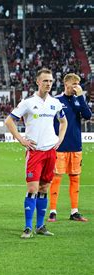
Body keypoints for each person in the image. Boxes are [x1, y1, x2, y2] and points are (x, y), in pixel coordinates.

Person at [5, 68, 67, 239]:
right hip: (34, 152)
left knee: (44, 188)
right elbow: (9, 120)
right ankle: (27, 227)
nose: (48, 84)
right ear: (38, 82)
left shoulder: (55, 103)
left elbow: (63, 121)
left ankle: (40, 226)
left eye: (51, 81)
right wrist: (21, 139)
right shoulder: (28, 102)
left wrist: (59, 139)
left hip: (50, 151)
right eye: (45, 80)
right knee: (32, 188)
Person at [48, 73, 91, 222]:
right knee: (56, 178)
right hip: (59, 146)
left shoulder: (78, 100)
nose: (77, 87)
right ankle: (53, 211)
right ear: (66, 84)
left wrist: (80, 97)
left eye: (78, 84)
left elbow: (87, 115)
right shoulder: (56, 101)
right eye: (74, 84)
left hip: (76, 146)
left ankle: (74, 211)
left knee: (75, 179)